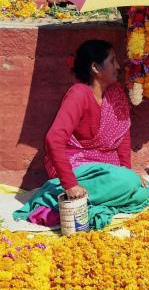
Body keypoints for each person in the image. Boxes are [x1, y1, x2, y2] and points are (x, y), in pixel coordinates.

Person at [44, 39, 143, 200]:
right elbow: (54, 138)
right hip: (76, 167)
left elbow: (122, 136)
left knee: (140, 186)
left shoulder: (115, 93)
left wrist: (126, 171)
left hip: (106, 167)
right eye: (112, 61)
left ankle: (103, 195)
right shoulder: (79, 94)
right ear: (95, 68)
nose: (118, 66)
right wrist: (70, 184)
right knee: (131, 185)